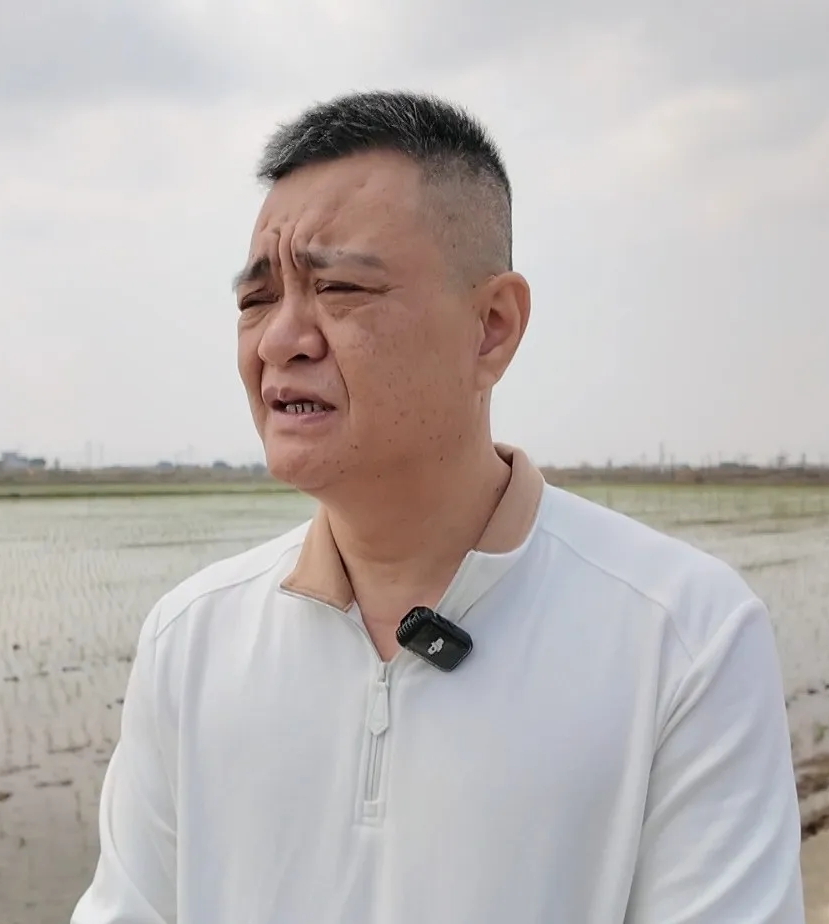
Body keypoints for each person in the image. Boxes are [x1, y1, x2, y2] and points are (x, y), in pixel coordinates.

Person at [71, 90, 804, 923]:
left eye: (337, 286)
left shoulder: (684, 636)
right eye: (255, 300)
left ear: (490, 326)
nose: (280, 340)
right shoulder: (191, 638)